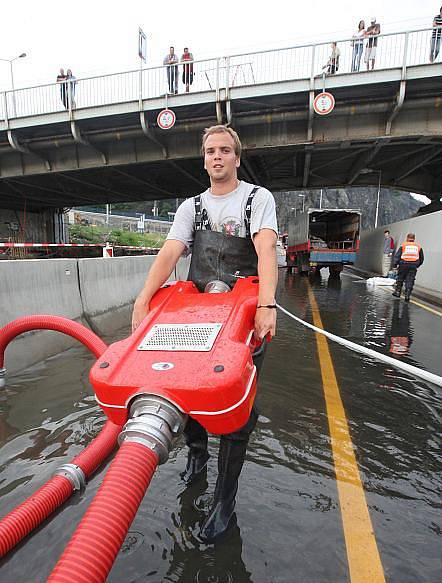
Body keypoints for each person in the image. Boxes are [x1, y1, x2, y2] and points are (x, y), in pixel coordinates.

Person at [132, 124, 278, 542]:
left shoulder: (256, 199)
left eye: (225, 150)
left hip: (242, 319)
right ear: (204, 159)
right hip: (196, 316)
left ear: (236, 157)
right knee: (188, 391)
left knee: (236, 404)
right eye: (211, 151)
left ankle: (224, 500)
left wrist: (267, 305)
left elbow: (266, 250)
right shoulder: (191, 206)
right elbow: (171, 252)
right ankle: (197, 455)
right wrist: (144, 299)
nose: (217, 157)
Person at [392, 233, 424, 302]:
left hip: (403, 264)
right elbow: (421, 258)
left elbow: (397, 256)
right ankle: (407, 295)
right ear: (414, 239)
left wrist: (395, 265)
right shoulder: (418, 247)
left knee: (400, 278)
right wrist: (417, 265)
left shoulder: (403, 245)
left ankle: (397, 292)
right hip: (413, 265)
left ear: (407, 238)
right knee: (410, 280)